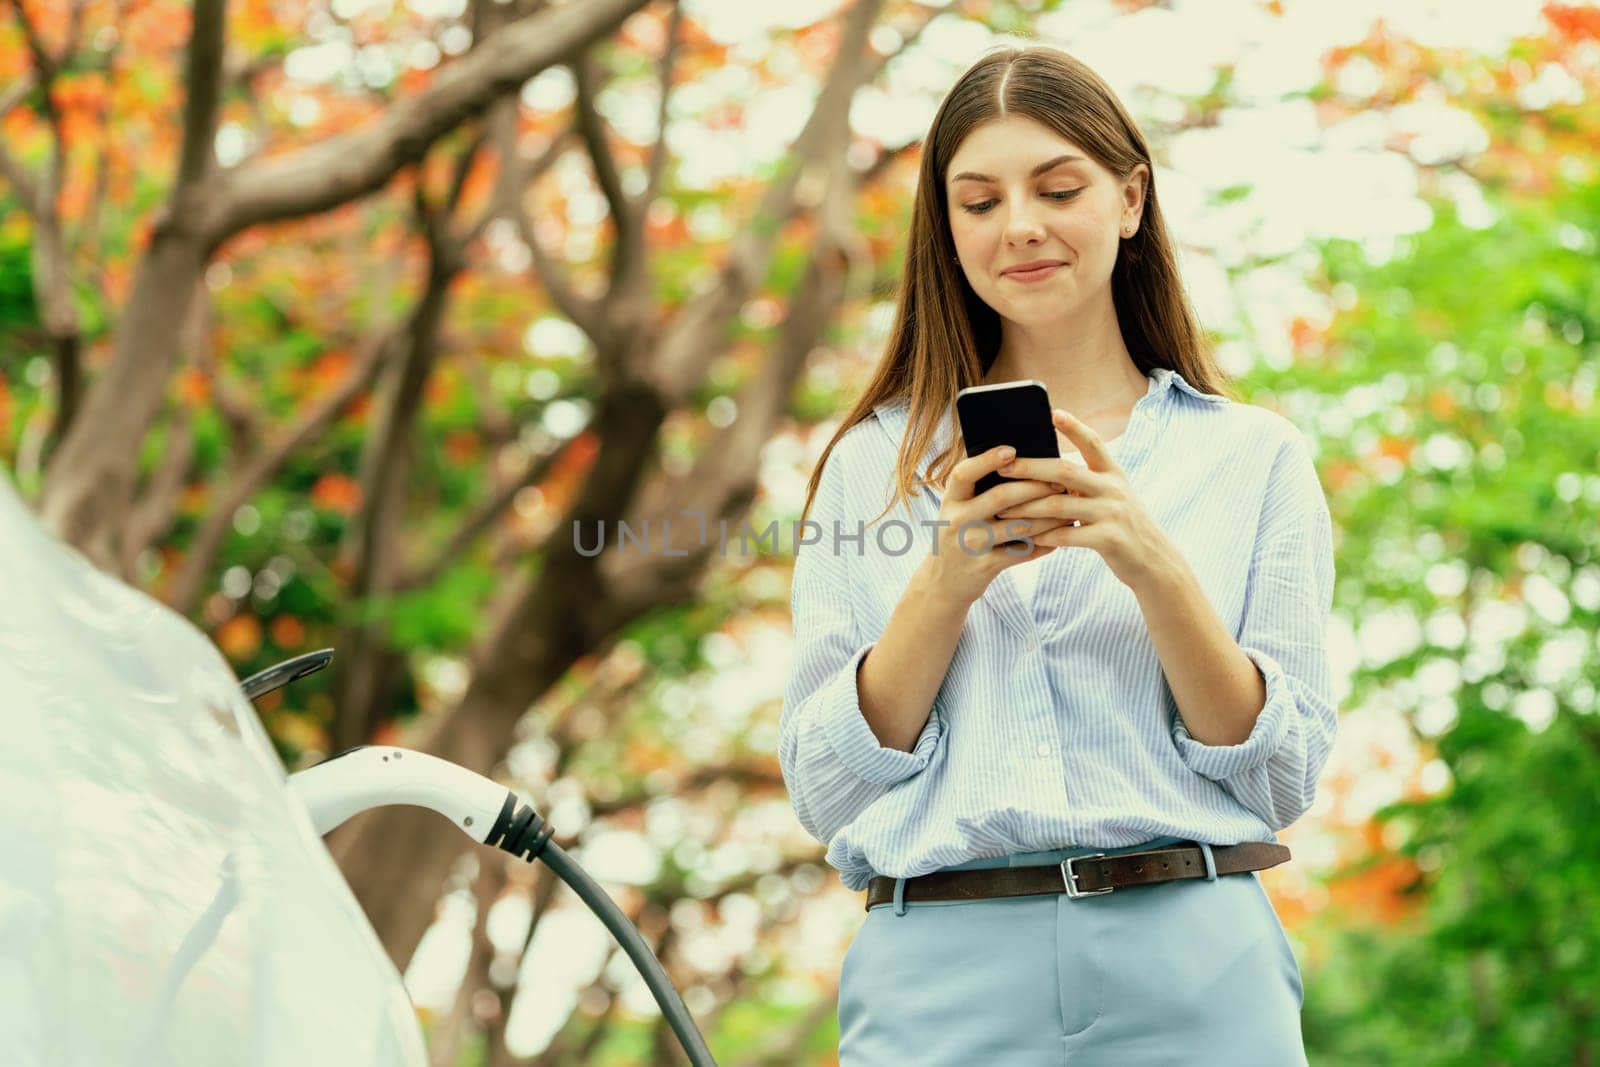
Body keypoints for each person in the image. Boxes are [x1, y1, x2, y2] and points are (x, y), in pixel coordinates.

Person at [777, 42, 1337, 1066]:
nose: (1019, 226)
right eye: (978, 201)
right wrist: (943, 582)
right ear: (944, 231)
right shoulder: (869, 468)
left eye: (1057, 186)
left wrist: (1152, 566)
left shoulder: (1251, 456)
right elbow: (824, 787)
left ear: (1129, 199)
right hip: (936, 971)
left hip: (1192, 961)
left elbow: (1281, 772)